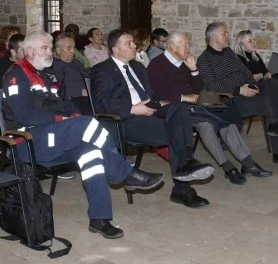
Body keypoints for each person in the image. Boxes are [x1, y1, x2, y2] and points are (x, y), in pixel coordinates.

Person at [3, 31, 164, 239]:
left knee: (91, 151)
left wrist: (73, 115)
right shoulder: (16, 75)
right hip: (29, 141)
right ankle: (124, 173)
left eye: (50, 48)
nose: (49, 52)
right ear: (30, 51)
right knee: (87, 123)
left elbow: (66, 103)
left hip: (55, 137)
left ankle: (99, 218)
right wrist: (64, 121)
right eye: (45, 48)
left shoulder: (48, 75)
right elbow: (24, 115)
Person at [91, 29, 215, 208]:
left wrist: (161, 103)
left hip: (151, 109)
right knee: (177, 130)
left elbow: (154, 94)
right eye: (128, 43)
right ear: (115, 49)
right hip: (126, 119)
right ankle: (183, 186)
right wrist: (133, 108)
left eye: (133, 42)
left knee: (179, 109)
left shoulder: (138, 67)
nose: (134, 45)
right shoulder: (102, 70)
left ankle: (186, 163)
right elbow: (101, 101)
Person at [148, 32, 273, 184]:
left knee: (224, 116)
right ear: (173, 46)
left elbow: (200, 87)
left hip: (196, 105)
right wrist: (183, 97)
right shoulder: (157, 64)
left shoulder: (184, 62)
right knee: (206, 124)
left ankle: (247, 163)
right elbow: (157, 92)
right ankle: (227, 166)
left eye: (188, 44)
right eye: (185, 44)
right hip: (175, 109)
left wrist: (194, 69)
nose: (189, 48)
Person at [197, 22, 278, 168]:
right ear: (214, 36)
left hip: (247, 90)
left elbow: (245, 72)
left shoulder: (228, 52)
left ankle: (276, 127)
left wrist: (251, 85)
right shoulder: (204, 59)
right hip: (231, 99)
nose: (228, 35)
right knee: (272, 107)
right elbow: (211, 85)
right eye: (224, 33)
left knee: (272, 83)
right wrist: (238, 90)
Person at [50, 33, 91, 114]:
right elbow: (56, 89)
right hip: (74, 100)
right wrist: (80, 92)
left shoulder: (77, 62)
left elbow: (88, 77)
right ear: (58, 50)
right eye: (69, 48)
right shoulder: (54, 66)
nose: (73, 51)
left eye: (73, 48)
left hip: (89, 95)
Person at [0, 33, 24, 99]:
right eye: (23, 50)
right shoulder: (1, 66)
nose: (28, 52)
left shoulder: (31, 64)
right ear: (13, 52)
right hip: (7, 100)